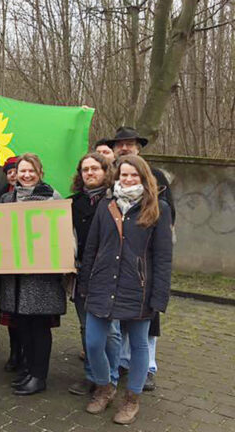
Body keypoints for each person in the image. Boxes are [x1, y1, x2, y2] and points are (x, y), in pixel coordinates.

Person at [78, 155, 172, 424]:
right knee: (94, 343)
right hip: (102, 283)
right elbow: (92, 247)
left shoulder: (158, 209)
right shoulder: (106, 206)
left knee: (139, 345)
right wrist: (85, 282)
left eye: (134, 175)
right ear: (116, 177)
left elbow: (163, 257)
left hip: (138, 287)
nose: (128, 179)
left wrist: (159, 296)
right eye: (123, 175)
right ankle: (105, 387)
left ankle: (132, 399)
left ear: (144, 178)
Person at [104, 126, 175, 391]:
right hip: (116, 265)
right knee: (120, 320)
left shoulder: (154, 176)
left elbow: (167, 219)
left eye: (129, 144)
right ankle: (122, 363)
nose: (124, 148)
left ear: (138, 147)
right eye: (119, 144)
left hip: (144, 263)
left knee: (145, 325)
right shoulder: (110, 178)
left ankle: (147, 368)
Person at [0, 153, 66, 396]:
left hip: (40, 277)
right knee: (22, 325)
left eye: (31, 171)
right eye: (22, 171)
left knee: (39, 327)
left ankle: (40, 376)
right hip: (14, 275)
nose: (26, 175)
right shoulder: (7, 199)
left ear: (39, 173)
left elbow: (63, 235)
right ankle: (28, 370)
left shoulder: (52, 198)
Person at [67, 152, 121, 396]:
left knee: (110, 330)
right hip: (80, 273)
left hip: (110, 274)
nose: (89, 173)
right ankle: (92, 375)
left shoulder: (117, 202)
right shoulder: (70, 203)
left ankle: (111, 379)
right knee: (86, 326)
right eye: (85, 169)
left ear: (105, 171)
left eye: (95, 169)